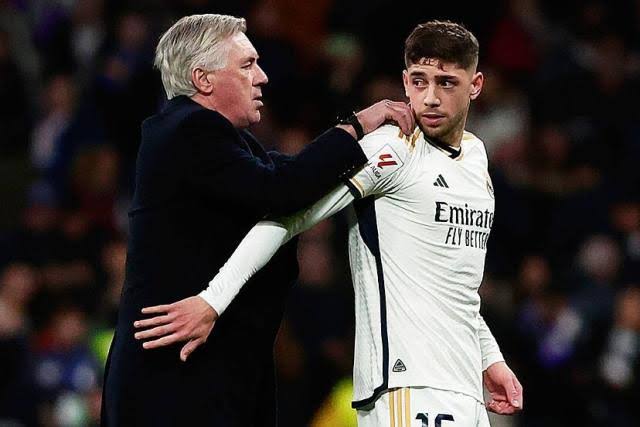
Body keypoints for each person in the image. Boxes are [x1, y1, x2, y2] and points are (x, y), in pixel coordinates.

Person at [135, 20, 524, 426]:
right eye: (419, 81)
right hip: (407, 385)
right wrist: (212, 300)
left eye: (446, 83)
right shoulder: (391, 147)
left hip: (464, 386)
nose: (429, 98)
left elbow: (454, 284)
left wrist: (489, 359)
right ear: (404, 81)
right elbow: (287, 217)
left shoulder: (477, 159)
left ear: (475, 85)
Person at [101, 14, 414, 427]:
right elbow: (281, 191)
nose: (262, 77)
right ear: (203, 79)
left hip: (214, 374)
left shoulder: (222, 139)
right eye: (247, 65)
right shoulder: (186, 131)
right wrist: (358, 126)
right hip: (176, 380)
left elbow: (293, 175)